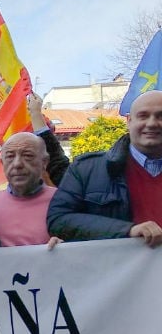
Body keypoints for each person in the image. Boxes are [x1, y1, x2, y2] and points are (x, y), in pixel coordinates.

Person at [47, 90, 162, 247]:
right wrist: (127, 230)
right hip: (116, 269)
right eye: (143, 116)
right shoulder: (86, 169)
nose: (152, 123)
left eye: (160, 116)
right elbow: (58, 220)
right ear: (129, 121)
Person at [0, 133, 60, 247]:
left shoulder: (63, 201)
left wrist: (68, 246)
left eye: (27, 156)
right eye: (10, 156)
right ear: (2, 163)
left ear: (45, 162)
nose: (17, 164)